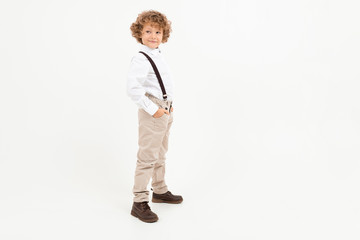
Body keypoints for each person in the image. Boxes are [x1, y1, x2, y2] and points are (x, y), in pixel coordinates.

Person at [127, 10, 183, 223]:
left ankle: (159, 190)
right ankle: (139, 201)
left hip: (166, 109)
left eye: (157, 32)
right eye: (148, 31)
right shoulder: (141, 59)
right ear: (139, 33)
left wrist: (167, 107)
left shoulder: (158, 55)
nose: (153, 35)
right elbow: (133, 89)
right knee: (147, 157)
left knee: (160, 154)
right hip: (154, 111)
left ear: (164, 35)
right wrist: (155, 109)